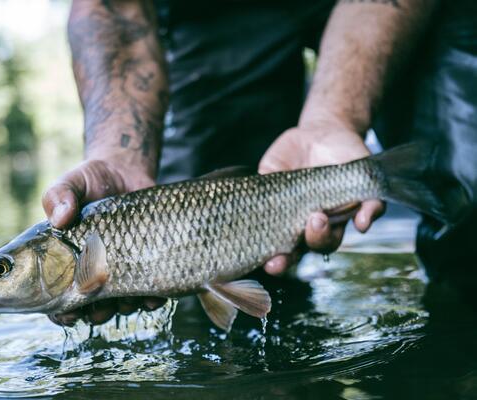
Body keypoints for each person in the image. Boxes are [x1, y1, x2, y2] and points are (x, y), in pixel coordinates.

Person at [43, 0, 477, 326]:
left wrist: (335, 115)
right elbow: (114, 8)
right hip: (208, 18)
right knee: (195, 297)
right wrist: (118, 155)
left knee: (468, 209)